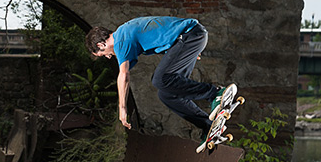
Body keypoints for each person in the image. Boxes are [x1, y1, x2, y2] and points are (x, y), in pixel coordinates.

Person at [84, 16, 231, 138]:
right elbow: (162, 32)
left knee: (159, 79)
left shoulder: (120, 40)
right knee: (166, 94)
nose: (109, 57)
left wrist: (122, 107)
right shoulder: (125, 33)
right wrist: (189, 51)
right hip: (188, 41)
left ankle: (215, 93)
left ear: (101, 44)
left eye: (104, 54)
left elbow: (124, 75)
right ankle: (208, 125)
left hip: (190, 35)